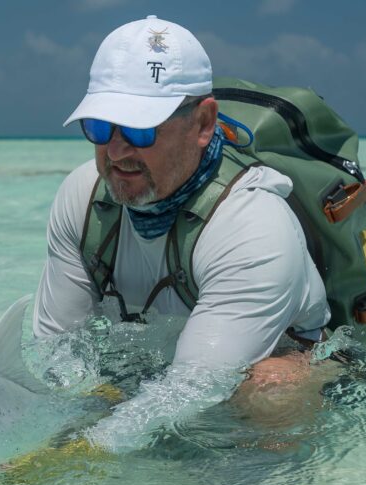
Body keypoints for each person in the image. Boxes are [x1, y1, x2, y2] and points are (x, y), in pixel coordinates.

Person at [32, 16, 331, 448]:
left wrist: (78, 453)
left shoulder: (254, 226)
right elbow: (56, 347)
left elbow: (195, 386)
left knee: (271, 390)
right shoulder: (83, 196)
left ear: (203, 123)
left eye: (139, 129)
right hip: (167, 373)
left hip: (265, 367)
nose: (115, 150)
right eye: (99, 126)